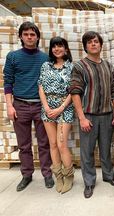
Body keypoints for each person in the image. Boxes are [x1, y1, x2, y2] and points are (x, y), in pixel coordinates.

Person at [69, 31, 114, 199]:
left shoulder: (108, 66)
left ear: (100, 45)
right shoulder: (79, 66)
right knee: (87, 151)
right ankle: (89, 182)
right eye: (90, 42)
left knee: (106, 149)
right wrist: (82, 117)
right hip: (89, 116)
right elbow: (75, 92)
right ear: (85, 46)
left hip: (107, 115)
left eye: (96, 41)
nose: (93, 44)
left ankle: (108, 176)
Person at [3, 21, 54, 191]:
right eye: (26, 34)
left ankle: (47, 174)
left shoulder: (45, 59)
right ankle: (27, 174)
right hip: (20, 105)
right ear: (20, 37)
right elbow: (8, 83)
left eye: (32, 34)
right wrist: (9, 106)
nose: (29, 37)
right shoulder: (13, 57)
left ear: (38, 37)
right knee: (23, 144)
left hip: (41, 106)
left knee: (44, 143)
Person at [38, 37, 74, 194]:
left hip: (65, 108)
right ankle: (58, 176)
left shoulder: (71, 67)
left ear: (65, 49)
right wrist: (46, 106)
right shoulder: (46, 65)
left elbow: (74, 91)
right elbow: (41, 86)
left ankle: (69, 176)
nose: (57, 49)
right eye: (54, 46)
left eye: (60, 46)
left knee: (61, 144)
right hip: (47, 109)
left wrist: (60, 108)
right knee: (52, 144)